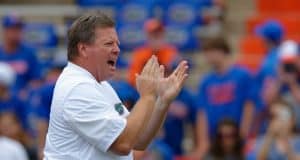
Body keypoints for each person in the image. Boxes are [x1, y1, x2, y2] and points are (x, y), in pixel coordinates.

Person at [43, 11, 188, 160]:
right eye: (108, 44)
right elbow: (123, 144)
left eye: (117, 44)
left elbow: (137, 139)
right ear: (83, 49)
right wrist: (147, 96)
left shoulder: (99, 85)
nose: (117, 49)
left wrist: (162, 101)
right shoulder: (77, 88)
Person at [195, 37, 256, 158]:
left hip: (236, 137)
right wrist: (203, 142)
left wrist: (243, 134)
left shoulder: (242, 75)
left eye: (210, 52)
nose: (207, 56)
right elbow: (202, 113)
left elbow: (249, 106)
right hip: (216, 140)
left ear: (221, 51)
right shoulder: (206, 81)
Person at [128, 18, 179, 87]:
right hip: (142, 90)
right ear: (147, 36)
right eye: (154, 35)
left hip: (165, 89)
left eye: (159, 34)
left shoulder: (171, 52)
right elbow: (132, 79)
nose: (157, 37)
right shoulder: (140, 53)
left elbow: (175, 77)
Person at [0, 14, 41, 93]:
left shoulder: (29, 53)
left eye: (19, 29)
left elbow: (37, 81)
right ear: (5, 31)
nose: (16, 33)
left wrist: (26, 92)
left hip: (22, 101)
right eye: (13, 29)